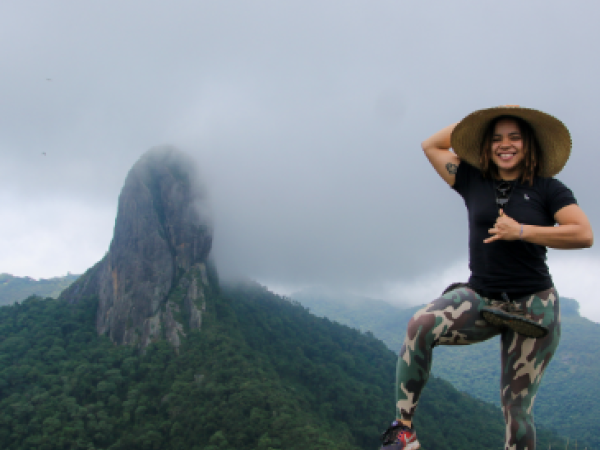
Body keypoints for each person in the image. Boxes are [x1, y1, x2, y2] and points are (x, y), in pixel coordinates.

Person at [380, 106, 594, 450]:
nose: (504, 145)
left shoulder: (548, 189)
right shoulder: (472, 179)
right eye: (495, 139)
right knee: (420, 325)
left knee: (516, 408)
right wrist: (477, 123)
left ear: (529, 145)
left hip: (533, 306)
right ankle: (404, 430)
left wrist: (521, 231)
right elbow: (431, 145)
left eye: (514, 137)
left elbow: (584, 234)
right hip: (481, 297)